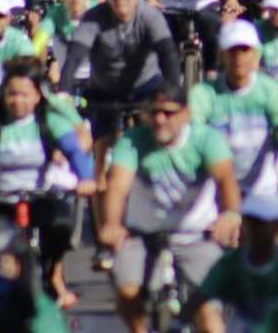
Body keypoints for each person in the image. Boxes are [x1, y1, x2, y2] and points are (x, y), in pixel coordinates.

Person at [100, 82, 241, 333]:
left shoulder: (206, 139)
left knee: (208, 312)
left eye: (168, 112)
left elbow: (225, 179)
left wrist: (230, 216)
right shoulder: (133, 141)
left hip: (195, 235)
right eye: (154, 112)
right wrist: (111, 224)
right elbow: (117, 187)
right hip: (142, 235)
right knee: (127, 292)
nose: (160, 119)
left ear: (186, 114)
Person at [0, 58, 93, 307]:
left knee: (61, 224)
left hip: (39, 195)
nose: (18, 101)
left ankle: (52, 273)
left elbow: (74, 151)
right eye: (12, 94)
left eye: (25, 94)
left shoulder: (48, 119)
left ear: (38, 96)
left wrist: (86, 179)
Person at [189, 21, 278, 197]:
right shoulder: (202, 93)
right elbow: (194, 141)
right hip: (215, 191)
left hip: (264, 190)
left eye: (245, 50)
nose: (238, 57)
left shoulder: (272, 91)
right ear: (222, 55)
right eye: (232, 50)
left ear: (255, 53)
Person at [192, 192, 278, 332]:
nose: (256, 229)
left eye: (262, 224)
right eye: (251, 222)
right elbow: (202, 295)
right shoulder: (230, 263)